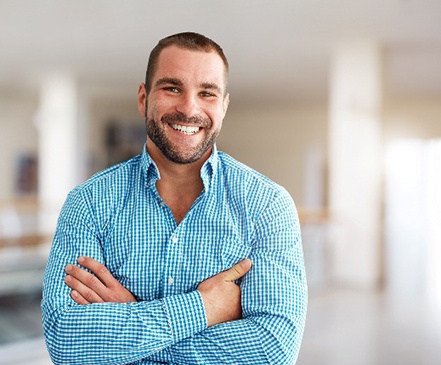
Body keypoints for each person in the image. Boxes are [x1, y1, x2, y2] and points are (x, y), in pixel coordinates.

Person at [41, 32, 307, 365]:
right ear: (143, 98)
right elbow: (66, 340)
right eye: (172, 88)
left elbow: (273, 349)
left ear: (223, 106)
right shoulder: (89, 202)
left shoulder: (266, 205)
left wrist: (132, 321)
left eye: (206, 93)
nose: (188, 108)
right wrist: (205, 307)